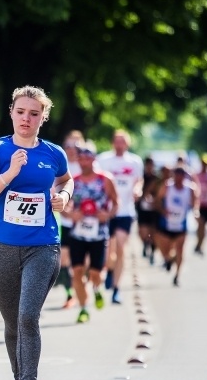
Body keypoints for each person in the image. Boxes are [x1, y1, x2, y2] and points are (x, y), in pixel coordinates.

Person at [0, 86, 73, 380]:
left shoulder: (54, 153)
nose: (26, 118)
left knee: (28, 317)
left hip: (43, 246)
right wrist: (10, 174)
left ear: (43, 118)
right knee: (12, 322)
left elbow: (65, 180)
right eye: (21, 112)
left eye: (34, 113)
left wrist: (64, 197)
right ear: (11, 112)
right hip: (3, 247)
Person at [62, 143, 118, 323]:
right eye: (81, 158)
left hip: (98, 234)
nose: (84, 161)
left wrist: (107, 215)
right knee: (77, 271)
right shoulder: (74, 181)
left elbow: (116, 204)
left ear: (94, 158)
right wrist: (71, 214)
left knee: (95, 273)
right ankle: (84, 308)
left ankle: (97, 289)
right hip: (78, 233)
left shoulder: (105, 179)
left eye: (88, 158)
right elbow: (62, 205)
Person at [97, 129, 143, 304]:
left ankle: (116, 288)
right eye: (116, 141)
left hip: (125, 211)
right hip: (107, 211)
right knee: (109, 250)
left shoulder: (135, 161)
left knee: (121, 249)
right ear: (112, 143)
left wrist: (138, 189)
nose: (119, 144)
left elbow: (139, 180)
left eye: (123, 141)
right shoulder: (103, 159)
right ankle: (109, 270)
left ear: (128, 143)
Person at [56, 130, 85, 308]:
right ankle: (69, 294)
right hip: (65, 220)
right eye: (68, 146)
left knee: (82, 263)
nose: (72, 150)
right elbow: (53, 193)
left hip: (86, 223)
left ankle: (83, 289)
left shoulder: (88, 167)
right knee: (64, 260)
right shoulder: (59, 167)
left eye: (76, 146)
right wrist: (66, 212)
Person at [155, 167, 198, 287]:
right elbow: (158, 200)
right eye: (177, 174)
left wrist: (195, 212)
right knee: (165, 247)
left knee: (180, 249)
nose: (179, 177)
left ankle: (177, 275)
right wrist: (163, 211)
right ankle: (167, 259)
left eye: (181, 174)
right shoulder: (167, 186)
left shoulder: (190, 188)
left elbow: (195, 203)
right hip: (167, 223)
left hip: (182, 223)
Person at [135, 156, 160, 265]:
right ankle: (145, 243)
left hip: (154, 209)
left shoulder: (157, 178)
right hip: (142, 209)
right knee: (142, 231)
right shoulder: (141, 177)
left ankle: (152, 252)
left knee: (154, 232)